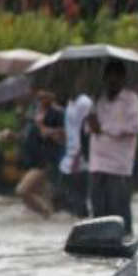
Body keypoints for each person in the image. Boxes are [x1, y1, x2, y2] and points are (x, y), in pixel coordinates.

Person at [86, 59, 138, 234]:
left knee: (119, 211)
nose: (111, 81)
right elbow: (90, 129)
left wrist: (104, 129)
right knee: (98, 212)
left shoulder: (131, 100)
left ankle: (125, 242)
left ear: (122, 78)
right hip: (97, 162)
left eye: (115, 77)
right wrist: (91, 122)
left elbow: (135, 127)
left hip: (119, 165)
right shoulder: (98, 99)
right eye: (108, 77)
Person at [1, 90, 65, 217]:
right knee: (45, 196)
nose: (41, 98)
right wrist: (11, 135)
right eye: (39, 96)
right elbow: (26, 136)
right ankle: (49, 222)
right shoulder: (34, 112)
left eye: (44, 95)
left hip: (46, 161)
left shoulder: (57, 113)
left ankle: (46, 215)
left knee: (22, 191)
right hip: (33, 160)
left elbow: (62, 137)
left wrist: (43, 127)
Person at [58, 85, 94, 217]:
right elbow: (71, 129)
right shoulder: (70, 102)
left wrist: (78, 155)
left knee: (80, 197)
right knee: (70, 197)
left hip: (80, 157)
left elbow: (86, 130)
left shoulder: (84, 103)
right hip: (69, 156)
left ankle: (84, 220)